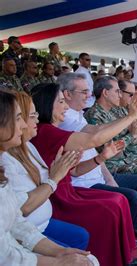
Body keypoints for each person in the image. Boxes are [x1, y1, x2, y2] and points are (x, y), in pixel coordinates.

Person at [29, 82, 137, 266]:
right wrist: (131, 116)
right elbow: (94, 138)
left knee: (119, 200)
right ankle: (110, 260)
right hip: (60, 198)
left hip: (68, 192)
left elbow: (74, 171)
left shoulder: (53, 130)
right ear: (47, 104)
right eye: (61, 102)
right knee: (110, 207)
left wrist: (101, 158)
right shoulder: (45, 131)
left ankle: (120, 257)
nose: (66, 106)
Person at [57, 73, 137, 238]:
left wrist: (109, 178)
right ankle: (127, 236)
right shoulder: (66, 119)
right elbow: (97, 136)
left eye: (88, 91)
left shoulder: (77, 115)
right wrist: (131, 118)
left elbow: (97, 149)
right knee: (133, 192)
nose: (88, 95)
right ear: (67, 94)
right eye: (83, 92)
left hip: (98, 171)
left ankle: (131, 229)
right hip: (84, 182)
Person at [0, 89, 94, 266]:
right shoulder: (7, 159)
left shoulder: (25, 148)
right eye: (19, 118)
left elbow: (14, 222)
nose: (24, 125)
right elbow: (5, 254)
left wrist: (59, 251)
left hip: (34, 230)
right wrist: (56, 261)